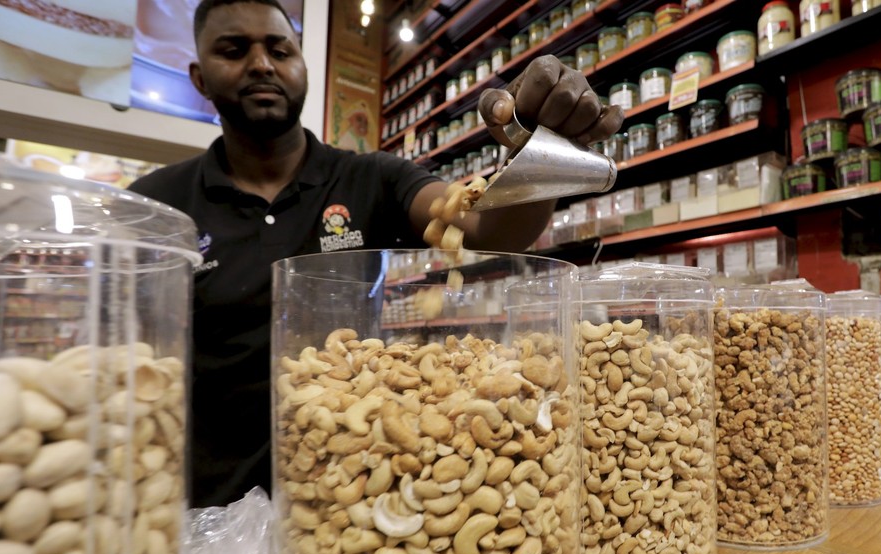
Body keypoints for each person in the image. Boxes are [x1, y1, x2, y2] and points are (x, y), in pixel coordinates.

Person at [128, 0, 624, 508]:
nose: (261, 64)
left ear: (302, 64)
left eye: (280, 49)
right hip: (201, 514)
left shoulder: (372, 177)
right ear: (198, 77)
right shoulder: (155, 206)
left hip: (349, 502)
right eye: (234, 50)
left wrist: (536, 153)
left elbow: (487, 229)